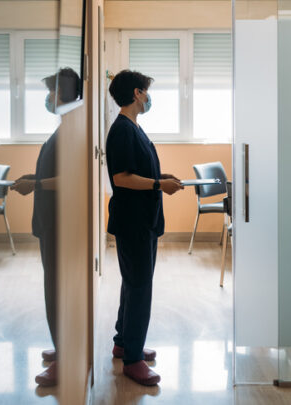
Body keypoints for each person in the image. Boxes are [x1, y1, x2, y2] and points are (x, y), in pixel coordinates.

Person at [105, 69, 183, 386]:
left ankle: (123, 342)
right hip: (133, 223)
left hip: (142, 221)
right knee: (140, 289)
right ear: (137, 93)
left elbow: (143, 171)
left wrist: (162, 180)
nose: (148, 97)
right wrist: (157, 184)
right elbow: (121, 178)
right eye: (146, 92)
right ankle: (133, 360)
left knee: (133, 283)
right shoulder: (122, 130)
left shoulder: (134, 128)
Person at [11, 67, 81, 388]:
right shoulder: (64, 128)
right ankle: (63, 349)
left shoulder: (71, 131)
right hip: (51, 221)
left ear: (63, 96)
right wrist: (32, 179)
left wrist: (35, 183)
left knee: (57, 291)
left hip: (59, 224)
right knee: (54, 287)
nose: (48, 98)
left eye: (51, 93)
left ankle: (66, 361)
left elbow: (76, 179)